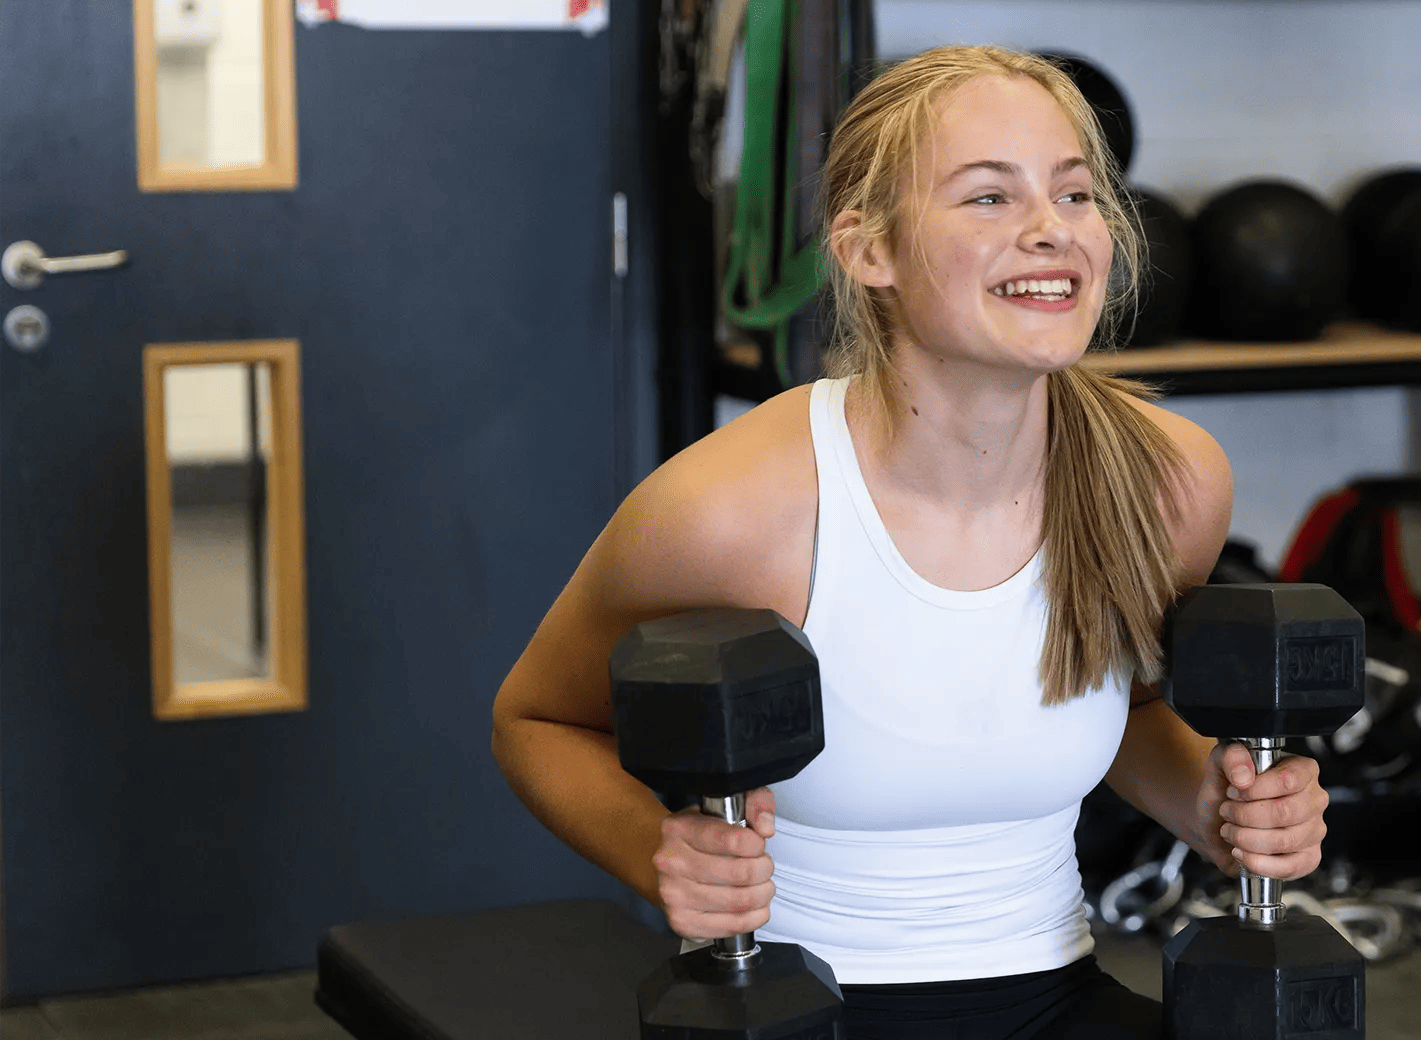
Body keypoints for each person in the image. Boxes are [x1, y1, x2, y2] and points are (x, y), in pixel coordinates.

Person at [491, 43, 1331, 1038]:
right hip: (800, 1005)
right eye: (987, 197)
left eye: (1074, 194)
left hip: (1059, 988)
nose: (1048, 232)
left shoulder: (1170, 484)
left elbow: (1130, 701)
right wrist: (656, 846)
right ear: (865, 249)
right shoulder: (731, 511)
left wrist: (1215, 802)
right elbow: (537, 719)